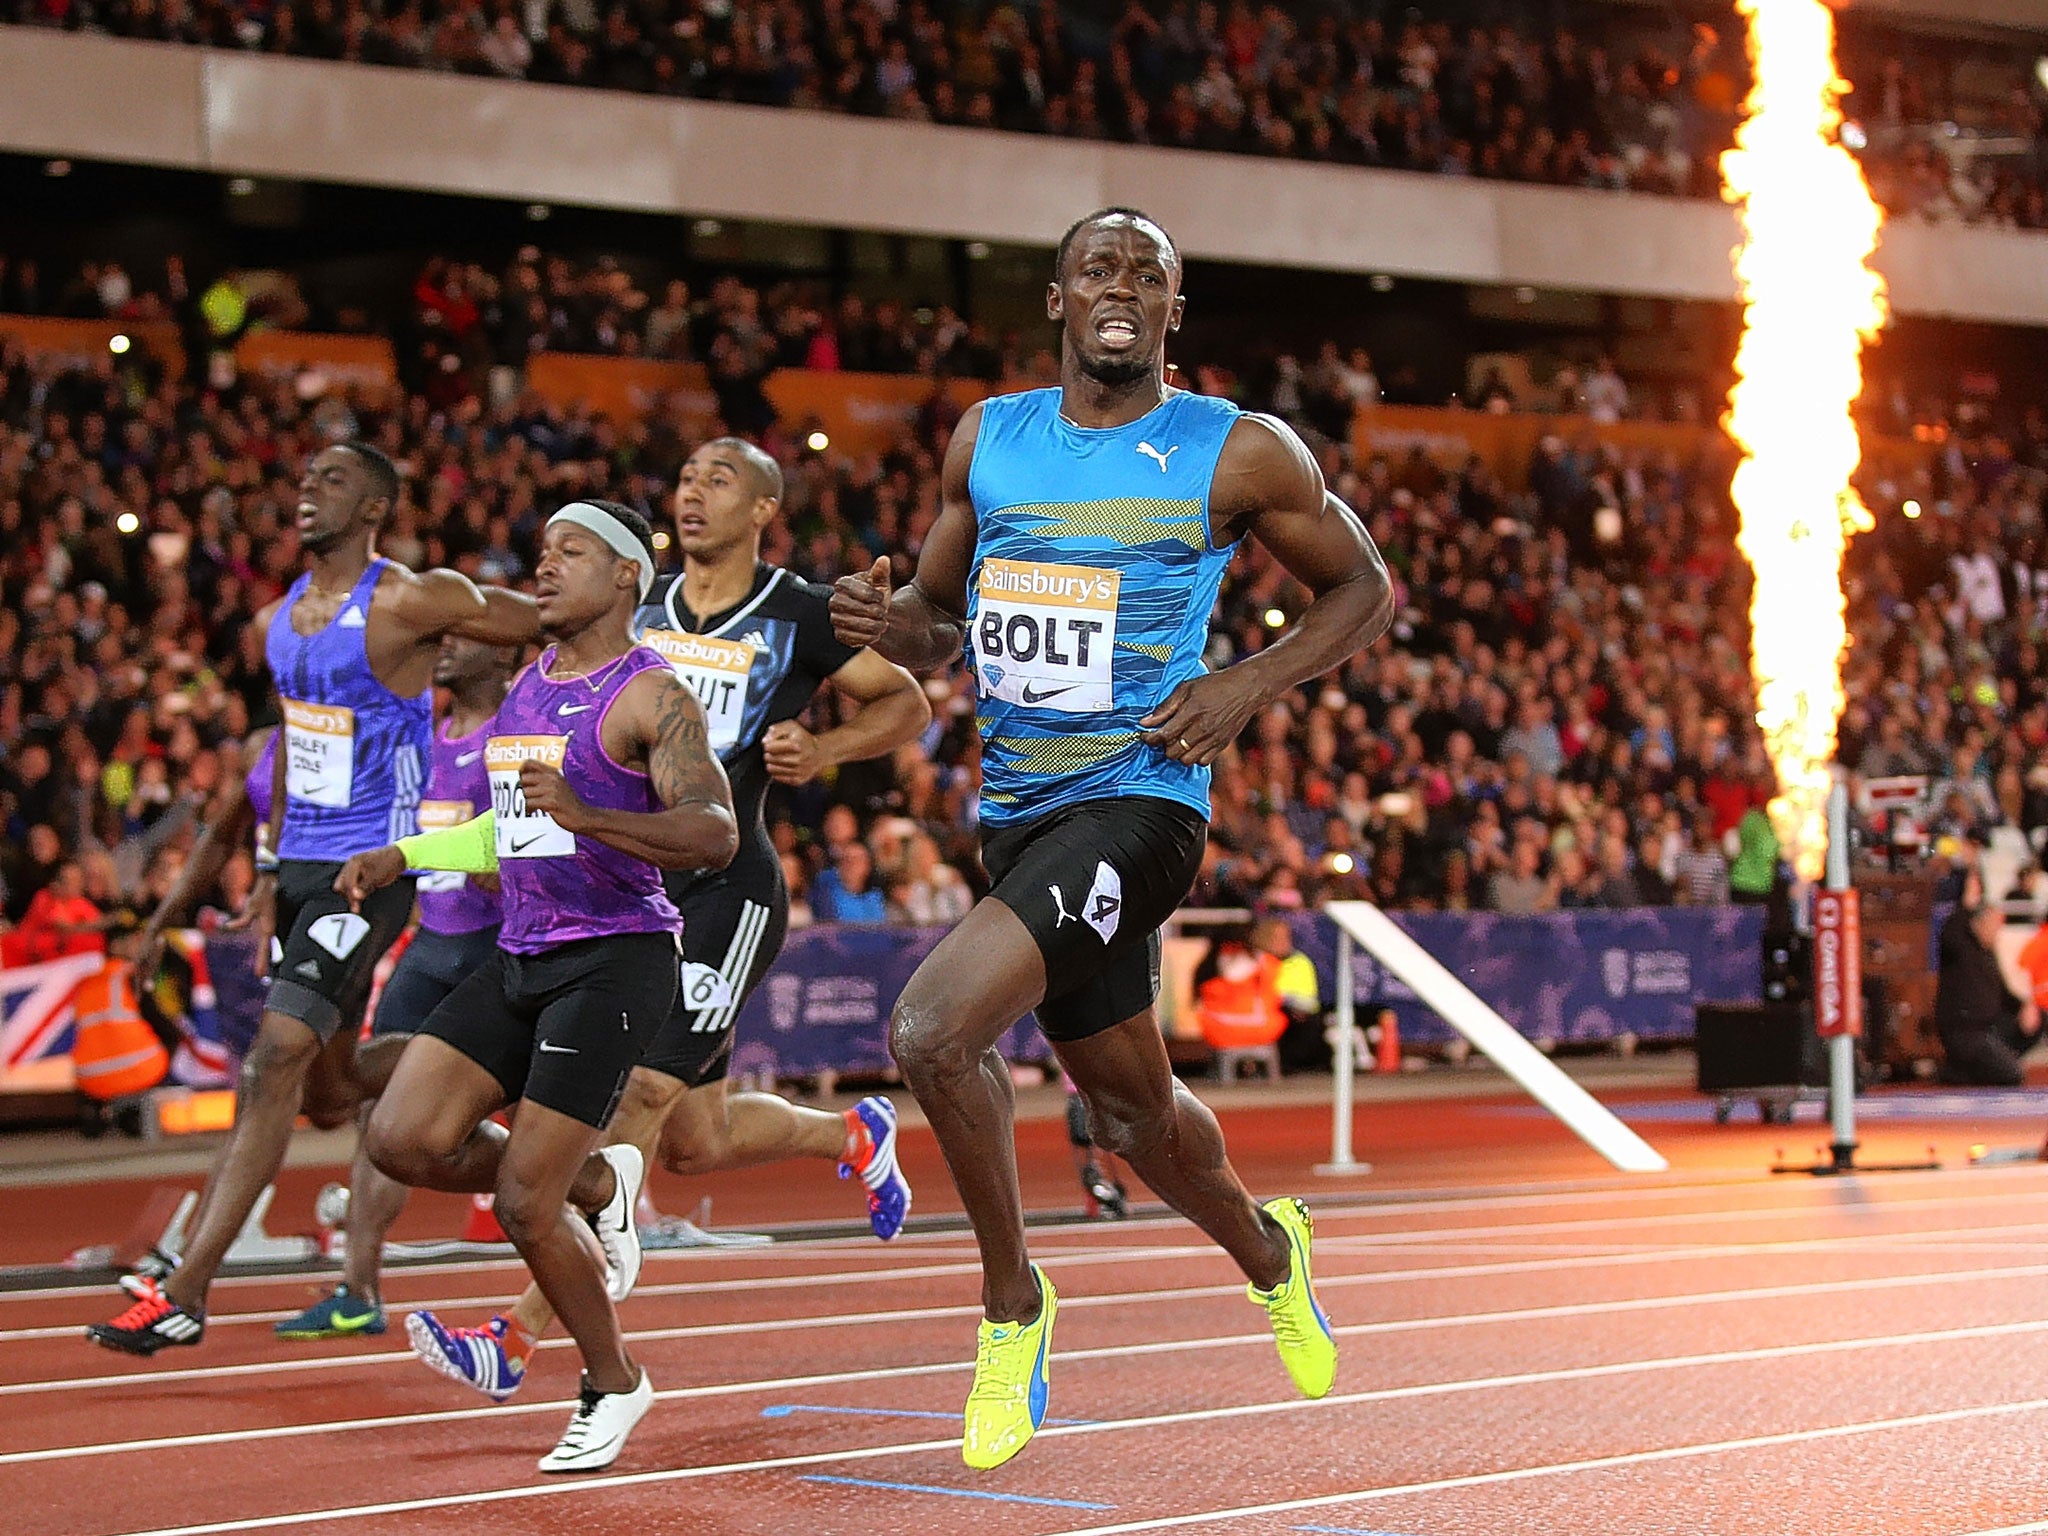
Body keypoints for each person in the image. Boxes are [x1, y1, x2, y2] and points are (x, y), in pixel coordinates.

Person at [829, 207, 1393, 1469]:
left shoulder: (1235, 452)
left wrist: (1245, 683)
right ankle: (1269, 1249)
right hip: (1018, 817)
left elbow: (1364, 588)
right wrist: (882, 620)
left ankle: (1010, 1310)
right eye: (1101, 268)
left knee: (931, 1029)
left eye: (1148, 273)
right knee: (1134, 1119)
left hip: (1142, 804)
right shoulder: (990, 438)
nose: (1122, 287)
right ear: (1059, 298)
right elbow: (933, 619)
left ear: (1173, 312)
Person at [405, 438, 929, 1400]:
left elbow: (903, 704)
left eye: (719, 480)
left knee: (639, 1095)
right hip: (613, 883)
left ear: (765, 507)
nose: (693, 492)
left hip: (722, 889)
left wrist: (825, 751)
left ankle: (519, 1339)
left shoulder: (799, 612)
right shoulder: (630, 606)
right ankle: (851, 1135)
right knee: (694, 1140)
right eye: (685, 478)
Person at [88, 441, 541, 1355]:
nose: (305, 493)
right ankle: (480, 1066)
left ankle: (186, 1288)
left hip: (366, 870)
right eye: (302, 480)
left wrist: (626, 600)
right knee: (331, 1091)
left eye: (330, 482)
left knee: (272, 1061)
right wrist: (262, 873)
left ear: (374, 507)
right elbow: (294, 750)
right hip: (298, 869)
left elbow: (541, 616)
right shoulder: (275, 622)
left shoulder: (409, 598)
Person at [339, 499, 739, 1471]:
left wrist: (592, 819)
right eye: (541, 549)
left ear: (623, 578)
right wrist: (406, 852)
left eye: (569, 553)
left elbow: (714, 832)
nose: (544, 566)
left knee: (524, 1200)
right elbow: (516, 831)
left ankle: (613, 1382)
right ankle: (598, 1181)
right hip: (520, 951)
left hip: (615, 956)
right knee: (399, 1135)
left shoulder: (651, 696)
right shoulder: (526, 683)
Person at [273, 635, 517, 1339]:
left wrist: (506, 870)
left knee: (534, 1114)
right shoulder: (427, 736)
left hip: (493, 946)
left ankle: (567, 1258)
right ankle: (358, 1289)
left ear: (502, 658)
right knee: (376, 1107)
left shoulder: (512, 733)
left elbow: (539, 833)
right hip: (430, 942)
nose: (444, 649)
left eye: (465, 640)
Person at [1935, 897, 2040, 1087]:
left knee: (2038, 1019)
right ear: (1979, 923)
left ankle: (1987, 1062)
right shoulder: (1958, 947)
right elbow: (1954, 925)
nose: (1997, 932)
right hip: (1967, 1032)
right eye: (1994, 925)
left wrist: (2025, 1007)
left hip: (1992, 1027)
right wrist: (1966, 902)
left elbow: (2004, 994)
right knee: (2012, 1075)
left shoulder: (1988, 955)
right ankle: (1959, 1071)